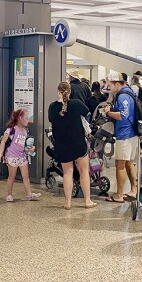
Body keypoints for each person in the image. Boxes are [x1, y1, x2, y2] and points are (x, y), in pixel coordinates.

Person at [49, 82, 97, 210]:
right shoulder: (76, 104)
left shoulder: (52, 107)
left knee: (67, 172)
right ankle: (87, 201)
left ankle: (68, 203)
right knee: (84, 171)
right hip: (78, 142)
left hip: (61, 143)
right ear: (69, 92)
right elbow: (87, 113)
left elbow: (52, 120)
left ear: (58, 92)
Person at [102, 73, 139, 203]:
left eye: (110, 85)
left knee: (120, 164)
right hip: (132, 133)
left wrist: (108, 112)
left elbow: (122, 116)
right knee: (129, 162)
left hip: (124, 134)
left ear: (117, 84)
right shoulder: (130, 92)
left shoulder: (123, 96)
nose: (109, 88)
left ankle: (119, 195)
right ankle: (134, 190)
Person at [0, 109, 40, 202]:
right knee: (11, 177)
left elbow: (22, 146)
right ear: (20, 118)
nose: (28, 120)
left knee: (26, 176)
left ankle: (29, 194)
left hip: (22, 156)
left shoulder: (25, 131)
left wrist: (29, 150)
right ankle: (9, 194)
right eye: (26, 118)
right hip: (12, 156)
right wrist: (1, 154)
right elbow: (3, 141)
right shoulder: (11, 130)